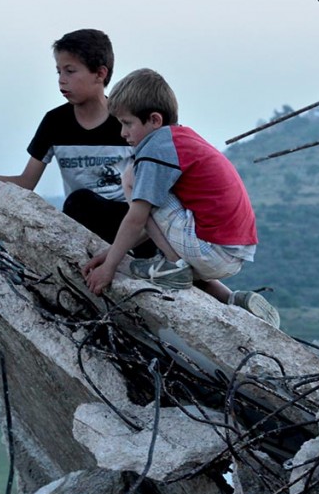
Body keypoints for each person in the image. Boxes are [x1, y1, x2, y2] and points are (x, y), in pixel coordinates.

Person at [82, 68, 280, 328]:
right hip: (233, 251)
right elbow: (159, 226)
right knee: (155, 196)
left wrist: (110, 267)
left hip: (211, 250)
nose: (123, 133)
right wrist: (112, 252)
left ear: (154, 120)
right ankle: (231, 299)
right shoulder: (182, 139)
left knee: (131, 177)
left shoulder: (155, 149)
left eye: (127, 123)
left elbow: (138, 218)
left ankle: (173, 267)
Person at [0, 29, 154, 256]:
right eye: (59, 72)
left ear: (100, 74)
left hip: (128, 222)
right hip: (82, 221)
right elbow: (27, 182)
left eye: (70, 71)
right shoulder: (55, 123)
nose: (62, 80)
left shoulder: (123, 123)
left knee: (81, 201)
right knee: (77, 203)